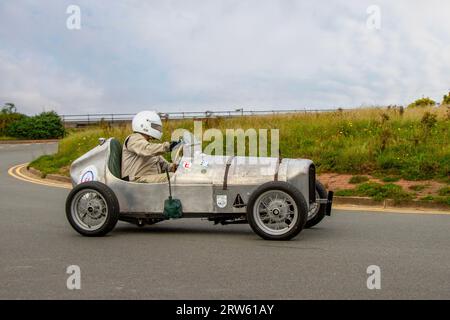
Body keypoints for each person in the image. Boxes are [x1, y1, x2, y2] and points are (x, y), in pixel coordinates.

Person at [121, 111, 179, 183]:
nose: (157, 129)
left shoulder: (148, 146)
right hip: (135, 180)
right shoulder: (133, 139)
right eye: (155, 126)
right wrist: (169, 146)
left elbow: (163, 165)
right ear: (144, 125)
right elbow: (146, 149)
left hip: (147, 179)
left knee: (179, 175)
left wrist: (175, 167)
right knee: (173, 177)